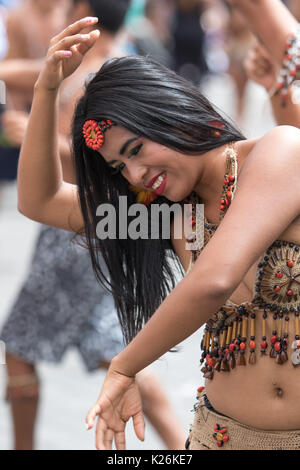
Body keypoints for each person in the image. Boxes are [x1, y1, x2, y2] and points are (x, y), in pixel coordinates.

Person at [17, 16, 300, 451]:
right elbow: (39, 201)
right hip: (218, 438)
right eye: (119, 168)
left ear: (171, 114)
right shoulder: (168, 216)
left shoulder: (280, 152)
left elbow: (215, 280)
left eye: (135, 151)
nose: (136, 175)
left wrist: (125, 366)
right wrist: (45, 90)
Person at [1, 0, 186, 451]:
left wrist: (35, 136)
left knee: (21, 347)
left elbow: (95, 162)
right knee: (118, 351)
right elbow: (29, 75)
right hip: (98, 226)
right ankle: (184, 446)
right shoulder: (111, 63)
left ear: (84, 10)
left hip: (79, 231)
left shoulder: (99, 78)